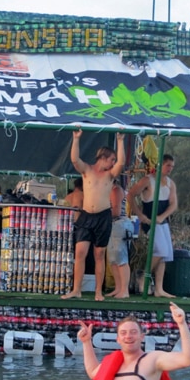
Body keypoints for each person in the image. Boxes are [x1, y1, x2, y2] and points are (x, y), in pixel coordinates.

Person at [61, 129, 126, 301]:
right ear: (103, 157)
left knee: (99, 254)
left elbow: (121, 163)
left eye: (113, 160)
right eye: (111, 159)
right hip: (86, 216)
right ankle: (76, 289)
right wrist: (76, 139)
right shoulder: (87, 170)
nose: (113, 163)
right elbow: (75, 159)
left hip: (103, 217)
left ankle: (98, 291)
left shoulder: (110, 174)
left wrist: (120, 141)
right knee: (80, 252)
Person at [127, 154, 177, 298]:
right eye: (168, 166)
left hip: (162, 221)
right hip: (150, 221)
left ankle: (159, 288)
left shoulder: (170, 183)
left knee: (165, 254)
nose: (170, 169)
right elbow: (130, 195)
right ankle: (144, 275)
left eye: (172, 167)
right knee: (160, 250)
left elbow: (173, 204)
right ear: (160, 165)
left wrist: (163, 216)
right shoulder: (147, 180)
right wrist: (140, 215)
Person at [106, 179, 132, 299]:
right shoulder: (108, 190)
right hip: (112, 225)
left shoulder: (116, 190)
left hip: (119, 224)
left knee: (121, 258)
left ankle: (124, 290)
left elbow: (115, 211)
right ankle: (118, 288)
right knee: (113, 259)